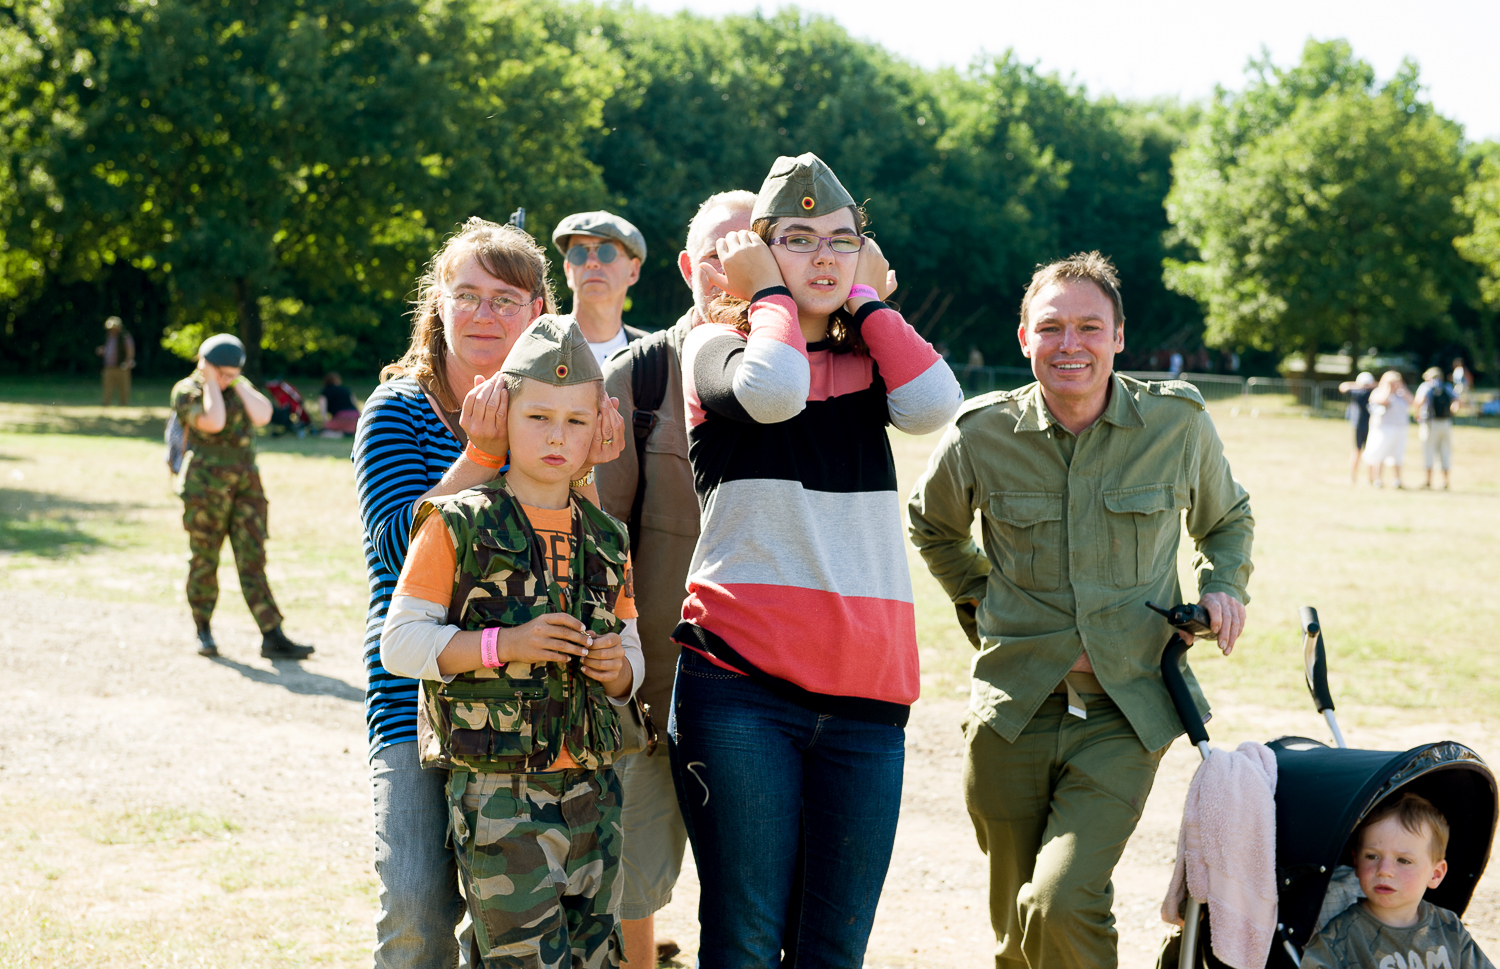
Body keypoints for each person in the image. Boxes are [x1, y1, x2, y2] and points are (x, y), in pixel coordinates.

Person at [908, 252, 1253, 969]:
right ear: (1024, 338)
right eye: (1052, 327)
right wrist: (979, 599)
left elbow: (1228, 519)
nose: (1071, 344)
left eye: (1089, 327)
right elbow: (932, 524)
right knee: (1017, 937)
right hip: (1012, 709)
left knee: (1059, 901)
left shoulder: (1177, 422)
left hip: (1127, 708)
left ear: (1119, 336)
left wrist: (1224, 583)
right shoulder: (980, 434)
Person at [671, 152, 963, 967]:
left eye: (844, 239)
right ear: (759, 252)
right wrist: (767, 293)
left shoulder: (875, 354)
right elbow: (773, 392)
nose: (825, 257)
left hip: (867, 695)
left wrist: (865, 302)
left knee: (833, 948)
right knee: (746, 940)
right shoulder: (713, 346)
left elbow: (936, 404)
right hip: (741, 689)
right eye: (798, 240)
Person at [353, 216, 625, 969]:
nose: (483, 314)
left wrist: (587, 464)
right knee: (416, 911)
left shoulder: (558, 405)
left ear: (540, 310)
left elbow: (594, 551)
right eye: (465, 294)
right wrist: (482, 454)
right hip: (418, 693)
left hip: (539, 715)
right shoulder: (399, 410)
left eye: (505, 299)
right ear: (436, 304)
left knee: (523, 925)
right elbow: (398, 546)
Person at [595, 188, 754, 969]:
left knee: (758, 898)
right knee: (634, 889)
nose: (733, 261)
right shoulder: (644, 374)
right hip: (656, 693)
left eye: (752, 242)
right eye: (717, 248)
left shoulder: (807, 374)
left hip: (772, 698)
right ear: (689, 265)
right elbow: (598, 542)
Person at [170, 333, 314, 660]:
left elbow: (264, 414)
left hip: (246, 487)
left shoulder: (236, 385)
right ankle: (203, 628)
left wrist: (236, 383)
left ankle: (272, 635)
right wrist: (210, 382)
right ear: (205, 365)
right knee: (204, 559)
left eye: (233, 373)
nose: (228, 379)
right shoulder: (188, 391)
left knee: (253, 559)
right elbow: (214, 421)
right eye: (223, 372)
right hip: (205, 489)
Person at [1301, 794, 1494, 969]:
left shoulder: (1449, 929)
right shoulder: (1337, 940)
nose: (1384, 871)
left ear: (1435, 875)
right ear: (1356, 863)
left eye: (1403, 861)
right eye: (1372, 856)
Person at [551, 211, 651, 366]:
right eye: (578, 253)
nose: (591, 262)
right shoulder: (541, 347)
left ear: (633, 271)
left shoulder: (654, 354)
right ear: (568, 270)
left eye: (606, 252)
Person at [1363, 370, 1413, 489]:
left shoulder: (1401, 394)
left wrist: (1402, 388)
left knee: (1397, 455)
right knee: (1380, 454)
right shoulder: (1378, 392)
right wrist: (1388, 389)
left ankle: (1397, 480)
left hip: (1400, 427)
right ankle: (1377, 479)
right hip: (1384, 428)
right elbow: (1382, 401)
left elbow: (1412, 402)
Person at [1413, 365, 1458, 490]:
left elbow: (1418, 401)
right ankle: (1445, 481)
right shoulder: (1447, 387)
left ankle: (1428, 481)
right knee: (1445, 451)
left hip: (1430, 424)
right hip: (1446, 423)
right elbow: (1457, 402)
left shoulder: (1426, 387)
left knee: (1428, 451)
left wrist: (1417, 414)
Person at [1337, 371, 1377, 484]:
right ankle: (1358, 477)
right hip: (1362, 425)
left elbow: (1344, 386)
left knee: (1363, 451)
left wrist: (1358, 384)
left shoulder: (1356, 392)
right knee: (1360, 451)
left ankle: (1364, 477)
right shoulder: (1371, 392)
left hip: (1364, 425)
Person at [97, 316, 136, 405]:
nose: (112, 330)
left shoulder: (125, 338)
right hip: (109, 366)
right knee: (107, 387)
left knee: (124, 388)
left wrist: (127, 362)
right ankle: (106, 404)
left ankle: (123, 405)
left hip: (122, 367)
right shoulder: (109, 337)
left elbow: (130, 351)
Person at [319, 371, 362, 438]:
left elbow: (323, 409)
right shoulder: (347, 390)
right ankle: (350, 433)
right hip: (355, 415)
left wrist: (325, 423)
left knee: (324, 432)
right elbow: (354, 403)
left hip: (340, 416)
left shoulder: (325, 392)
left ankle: (341, 434)